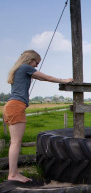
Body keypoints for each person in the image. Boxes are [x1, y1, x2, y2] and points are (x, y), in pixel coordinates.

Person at [4, 50, 74, 183]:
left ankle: (14, 173)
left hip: (10, 106)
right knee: (15, 142)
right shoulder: (25, 67)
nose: (36, 65)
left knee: (14, 142)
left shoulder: (19, 69)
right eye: (36, 62)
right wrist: (64, 80)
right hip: (16, 106)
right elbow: (47, 77)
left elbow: (41, 78)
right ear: (31, 59)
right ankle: (13, 174)